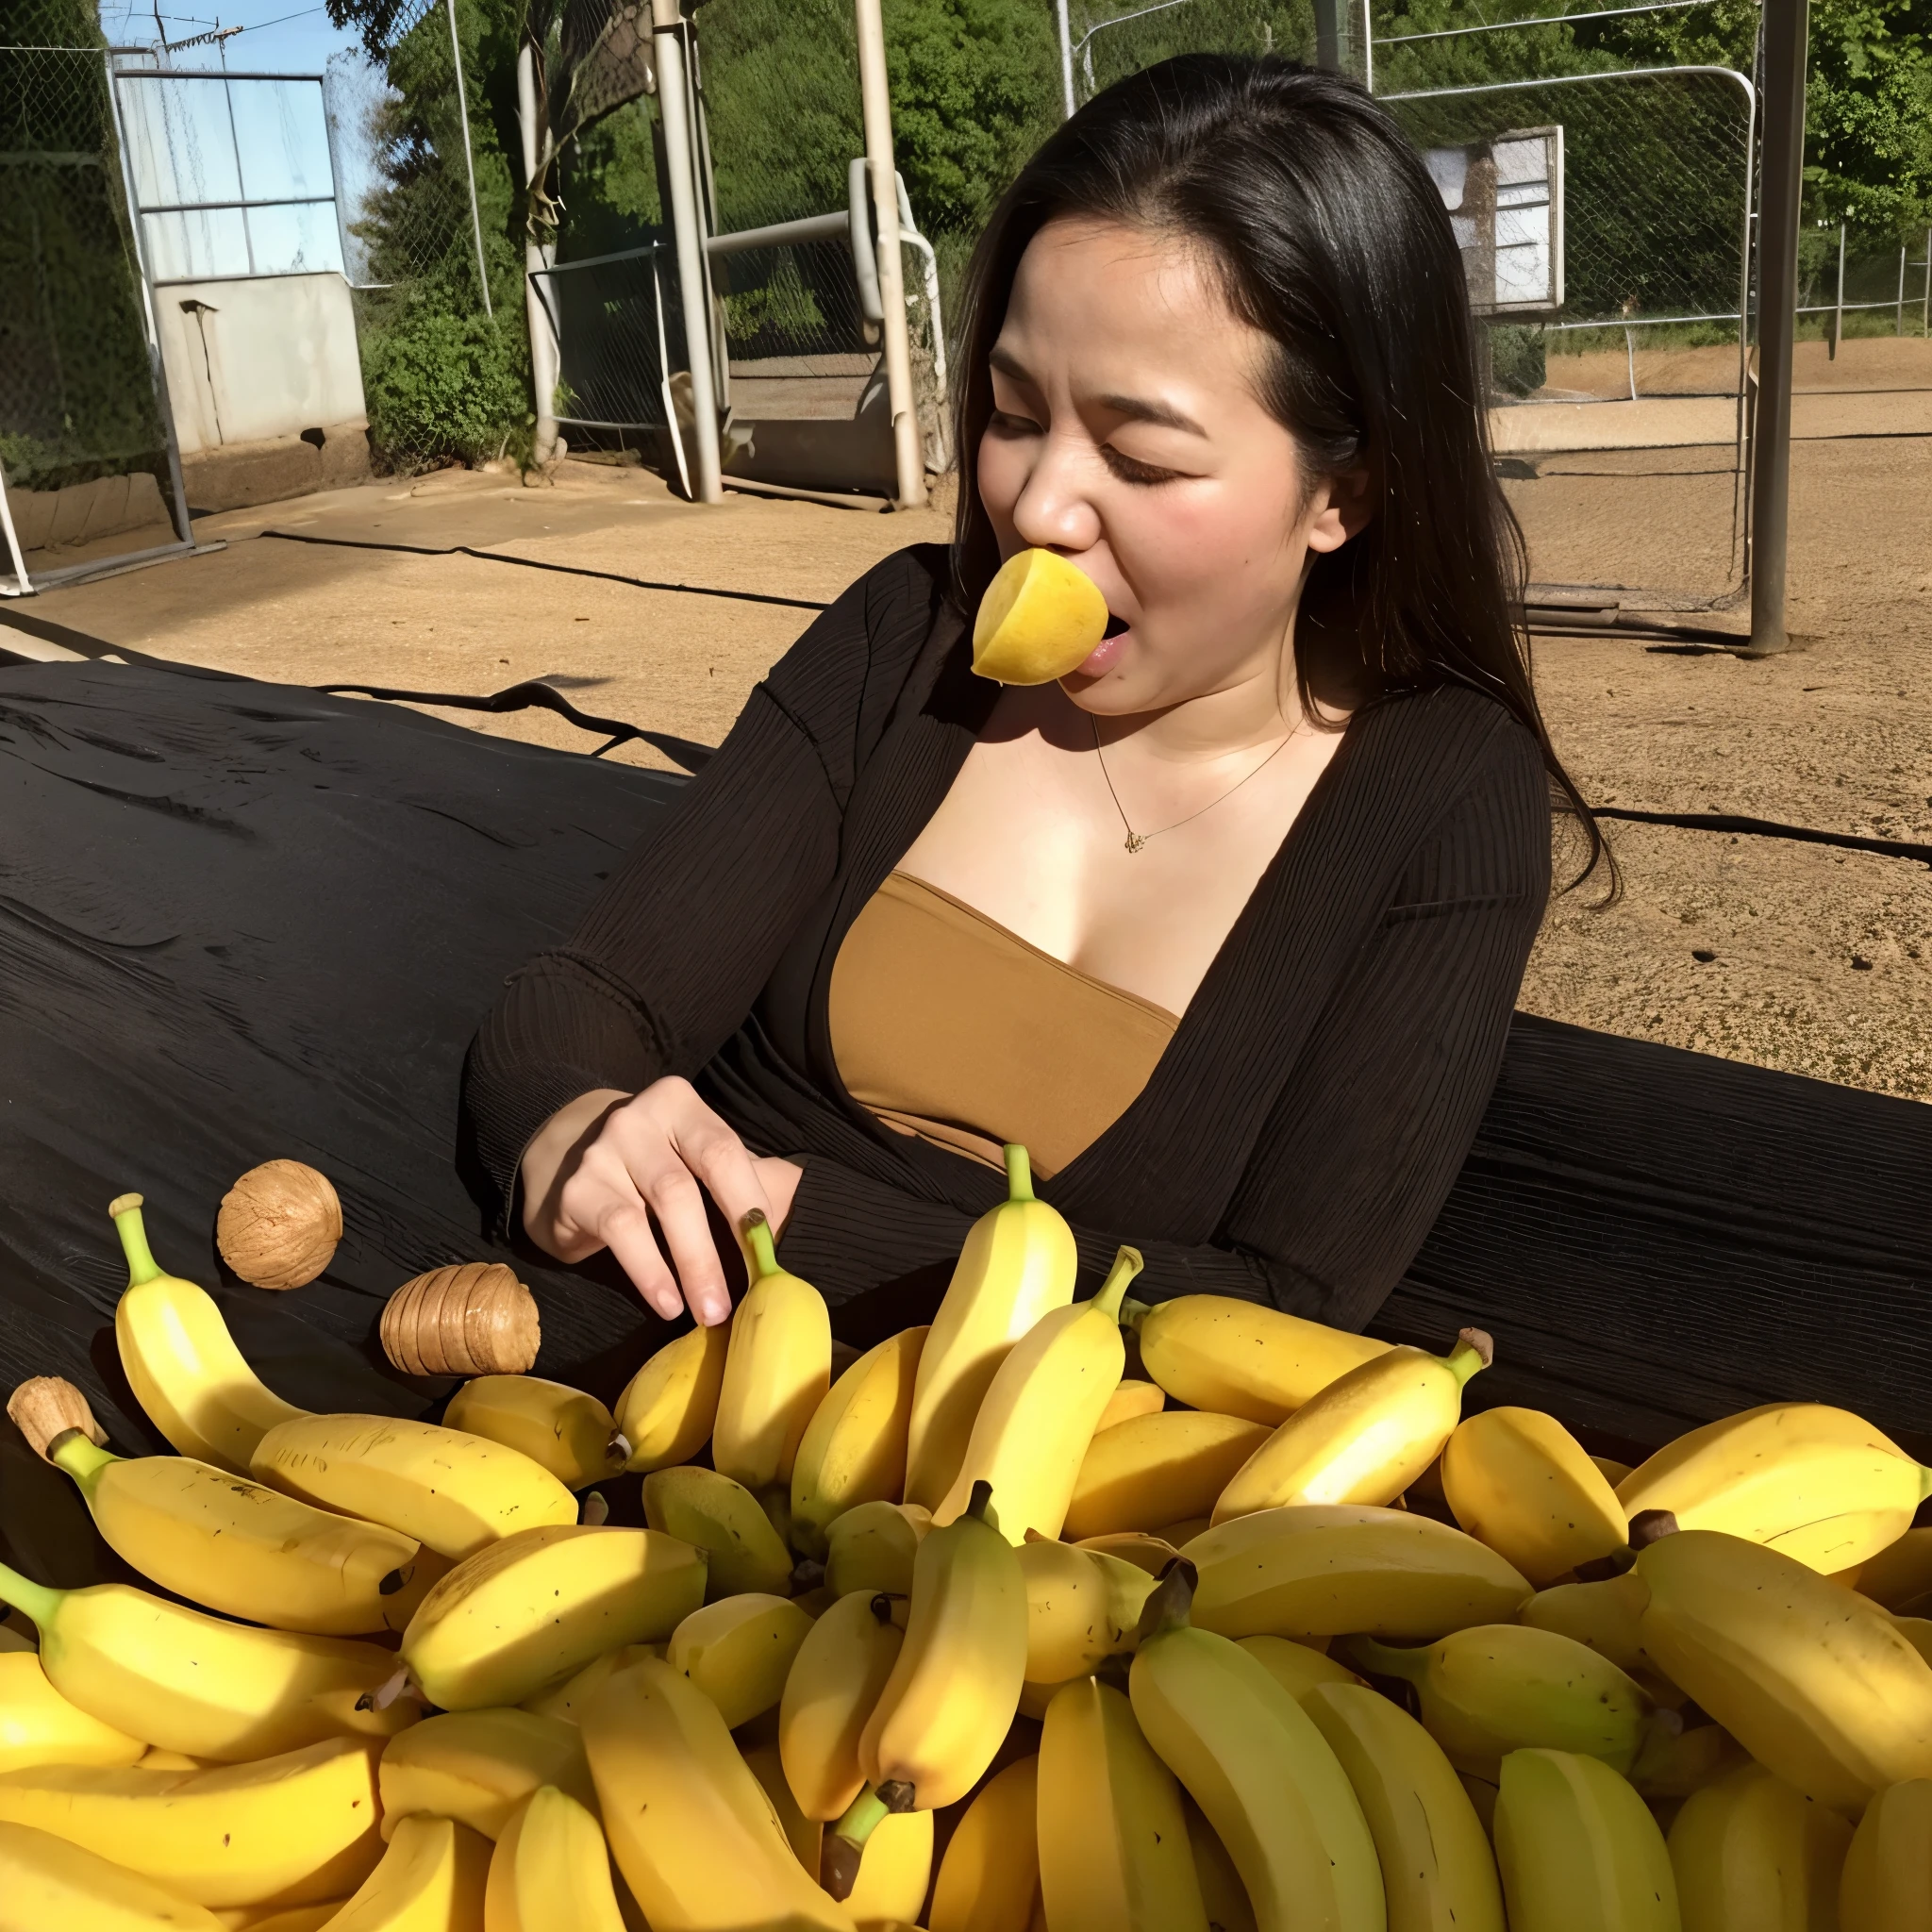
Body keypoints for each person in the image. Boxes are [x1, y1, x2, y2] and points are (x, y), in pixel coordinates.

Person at [462, 55, 1600, 1341]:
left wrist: (792, 1223)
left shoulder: (1443, 794)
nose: (1040, 509)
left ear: (1346, 493)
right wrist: (575, 1124)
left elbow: (1295, 1301)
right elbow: (580, 1001)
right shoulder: (907, 641)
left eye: (1143, 456)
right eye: (1012, 413)